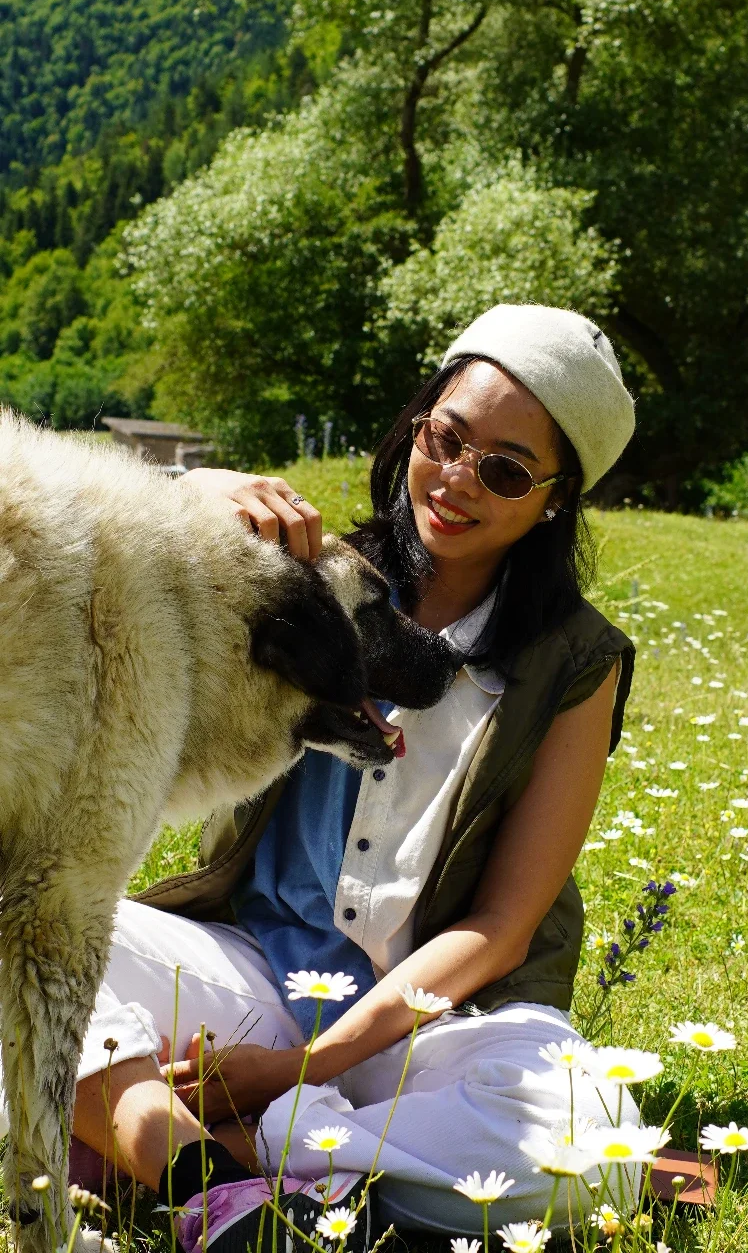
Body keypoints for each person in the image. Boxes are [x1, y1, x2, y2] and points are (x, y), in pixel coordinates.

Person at [66, 304, 639, 1250]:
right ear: (416, 425)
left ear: (554, 500)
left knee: (596, 1137)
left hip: (426, 1030)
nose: (453, 481)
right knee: (22, 920)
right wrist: (199, 485)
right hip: (244, 972)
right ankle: (219, 1188)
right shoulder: (317, 571)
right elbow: (121, 555)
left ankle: (173, 1145)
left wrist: (299, 1071)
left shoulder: (575, 661)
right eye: (444, 438)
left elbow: (499, 930)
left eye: (501, 470)